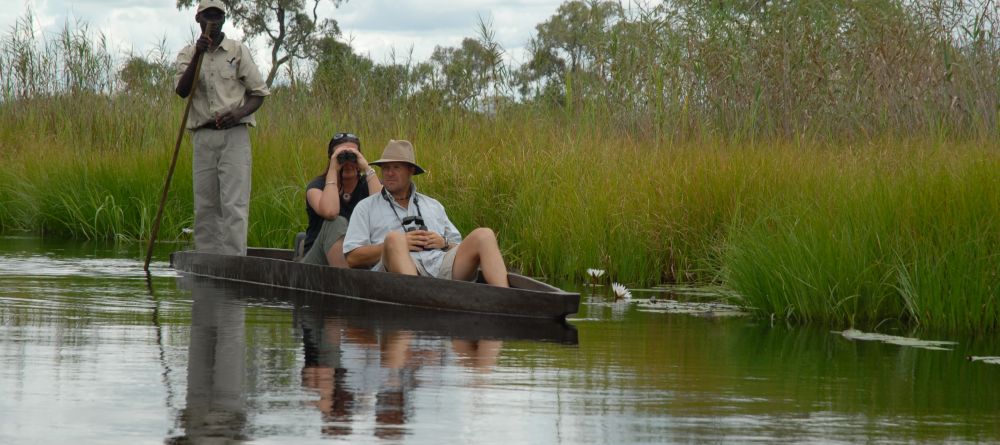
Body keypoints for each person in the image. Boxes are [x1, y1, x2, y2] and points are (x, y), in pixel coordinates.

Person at [343, 140, 510, 287]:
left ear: (411, 171)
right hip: (397, 276)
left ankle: (506, 299)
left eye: (395, 167)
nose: (389, 173)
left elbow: (456, 245)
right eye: (385, 168)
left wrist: (443, 242)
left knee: (484, 235)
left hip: (440, 267)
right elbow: (352, 258)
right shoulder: (365, 207)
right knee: (394, 238)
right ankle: (418, 296)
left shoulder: (433, 205)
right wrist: (397, 245)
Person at [174, 0, 269, 256]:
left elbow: (258, 93)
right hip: (203, 136)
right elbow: (182, 91)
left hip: (234, 136)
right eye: (208, 16)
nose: (213, 22)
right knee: (205, 206)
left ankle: (234, 265)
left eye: (218, 16)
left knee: (234, 205)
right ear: (198, 20)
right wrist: (198, 54)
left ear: (224, 19)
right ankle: (208, 265)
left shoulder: (237, 51)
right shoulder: (187, 53)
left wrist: (237, 113)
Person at [301, 132, 382, 266]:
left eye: (352, 156)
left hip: (357, 259)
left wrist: (367, 168)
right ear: (331, 158)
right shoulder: (317, 187)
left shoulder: (368, 185)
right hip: (316, 265)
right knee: (336, 222)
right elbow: (330, 212)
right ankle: (346, 284)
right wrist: (333, 169)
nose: (347, 162)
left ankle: (351, 280)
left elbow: (383, 210)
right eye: (341, 156)